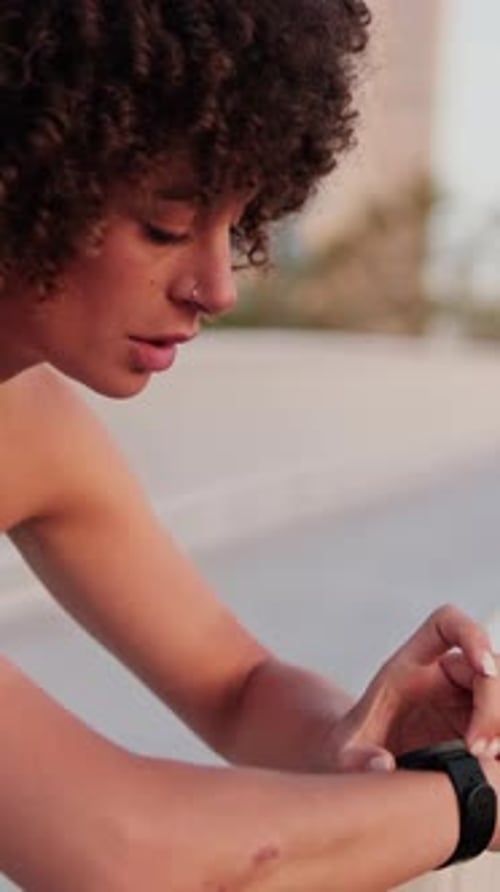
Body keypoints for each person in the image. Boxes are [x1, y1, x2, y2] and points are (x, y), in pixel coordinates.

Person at [0, 1, 500, 889]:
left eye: (237, 225)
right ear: (24, 176)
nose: (219, 286)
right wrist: (464, 801)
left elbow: (237, 686)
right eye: (165, 225)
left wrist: (375, 740)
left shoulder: (33, 431)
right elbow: (125, 851)